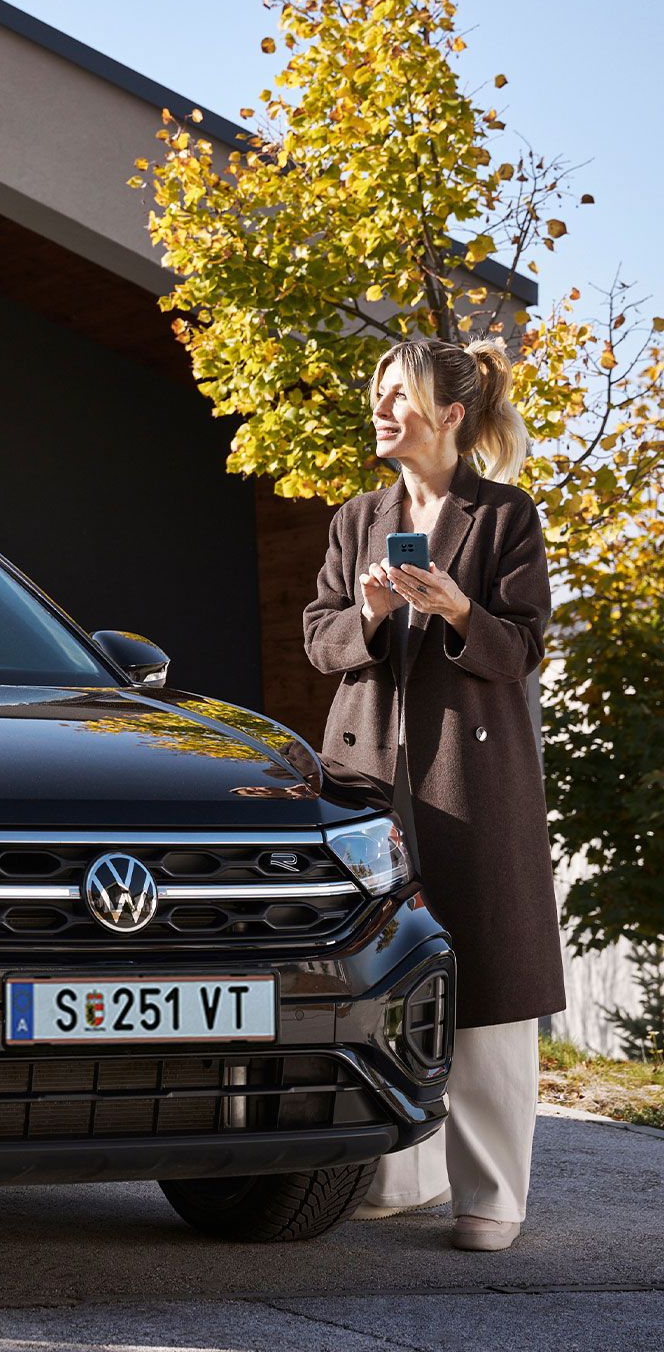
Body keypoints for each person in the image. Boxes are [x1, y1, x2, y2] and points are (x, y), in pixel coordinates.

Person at [303, 336, 564, 1252]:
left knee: (487, 978)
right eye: (376, 391)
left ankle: (491, 1194)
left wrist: (457, 608)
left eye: (399, 394)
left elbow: (525, 647)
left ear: (450, 415)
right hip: (367, 778)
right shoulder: (355, 516)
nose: (381, 408)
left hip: (471, 780)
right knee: (378, 966)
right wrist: (371, 612)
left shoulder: (504, 517)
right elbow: (319, 639)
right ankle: (396, 1171)